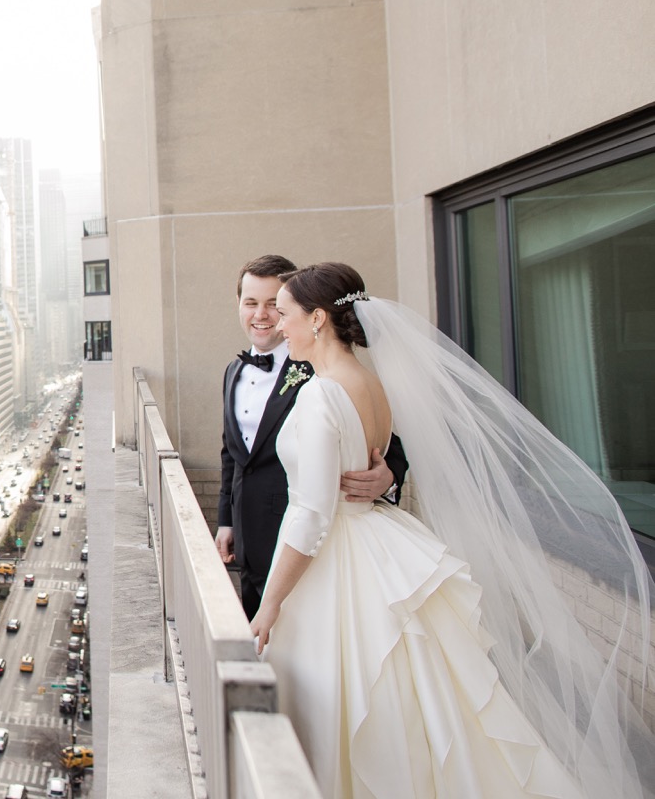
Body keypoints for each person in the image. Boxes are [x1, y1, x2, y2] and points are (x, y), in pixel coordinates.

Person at [251, 262, 653, 797]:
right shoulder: (371, 383)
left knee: (357, 697)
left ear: (318, 318)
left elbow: (312, 514)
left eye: (284, 313)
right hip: (378, 540)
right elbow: (370, 464)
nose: (278, 325)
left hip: (340, 561)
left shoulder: (323, 393)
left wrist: (272, 602)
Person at [216, 255, 407, 618]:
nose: (262, 315)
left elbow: (385, 443)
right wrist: (226, 521)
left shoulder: (323, 373)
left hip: (309, 547)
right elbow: (232, 452)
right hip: (247, 542)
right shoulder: (233, 371)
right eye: (250, 303)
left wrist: (387, 476)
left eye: (275, 306)